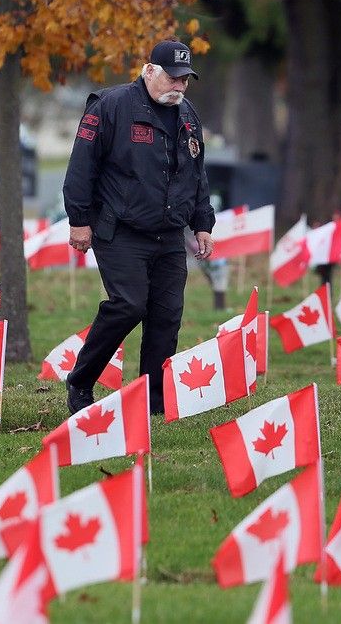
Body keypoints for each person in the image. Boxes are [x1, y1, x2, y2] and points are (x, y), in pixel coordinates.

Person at [62, 40, 216, 415]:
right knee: (128, 305)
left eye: (185, 80)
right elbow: (81, 166)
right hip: (120, 229)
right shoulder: (111, 106)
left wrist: (202, 224)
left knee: (167, 315)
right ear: (149, 71)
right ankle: (81, 381)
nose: (178, 87)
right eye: (172, 78)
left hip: (169, 234)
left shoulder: (187, 115)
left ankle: (153, 400)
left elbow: (196, 173)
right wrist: (79, 220)